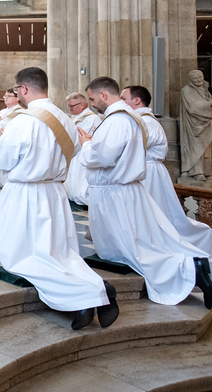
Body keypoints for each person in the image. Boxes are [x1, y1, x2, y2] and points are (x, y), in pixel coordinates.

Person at [0, 67, 118, 331]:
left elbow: (2, 161)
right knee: (60, 254)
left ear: (24, 89)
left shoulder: (23, 122)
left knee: (21, 257)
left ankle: (84, 297)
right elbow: (75, 153)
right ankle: (98, 286)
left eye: (17, 90)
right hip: (55, 194)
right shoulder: (66, 120)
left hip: (25, 194)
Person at [77, 76, 212, 308]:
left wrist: (87, 144)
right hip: (120, 190)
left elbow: (103, 157)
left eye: (92, 99)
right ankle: (190, 267)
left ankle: (190, 268)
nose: (92, 104)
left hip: (114, 193)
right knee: (126, 248)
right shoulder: (128, 118)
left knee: (134, 251)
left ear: (103, 94)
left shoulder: (117, 121)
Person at [122, 85, 212, 255]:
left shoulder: (147, 122)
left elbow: (132, 147)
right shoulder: (138, 120)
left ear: (137, 100)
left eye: (123, 99)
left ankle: (154, 245)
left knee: (154, 213)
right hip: (145, 169)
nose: (121, 102)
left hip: (149, 172)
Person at [65, 91, 102, 205]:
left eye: (71, 106)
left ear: (82, 105)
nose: (69, 109)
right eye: (68, 106)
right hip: (76, 153)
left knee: (81, 178)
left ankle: (83, 200)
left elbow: (79, 137)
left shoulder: (92, 118)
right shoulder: (77, 118)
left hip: (83, 153)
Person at [180, 70, 212, 181]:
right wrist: (209, 104)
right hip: (194, 124)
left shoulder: (205, 89)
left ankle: (207, 171)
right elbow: (193, 107)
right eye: (195, 78)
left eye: (200, 77)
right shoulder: (186, 90)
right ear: (190, 80)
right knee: (195, 147)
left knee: (206, 149)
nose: (198, 80)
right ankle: (196, 172)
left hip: (207, 123)